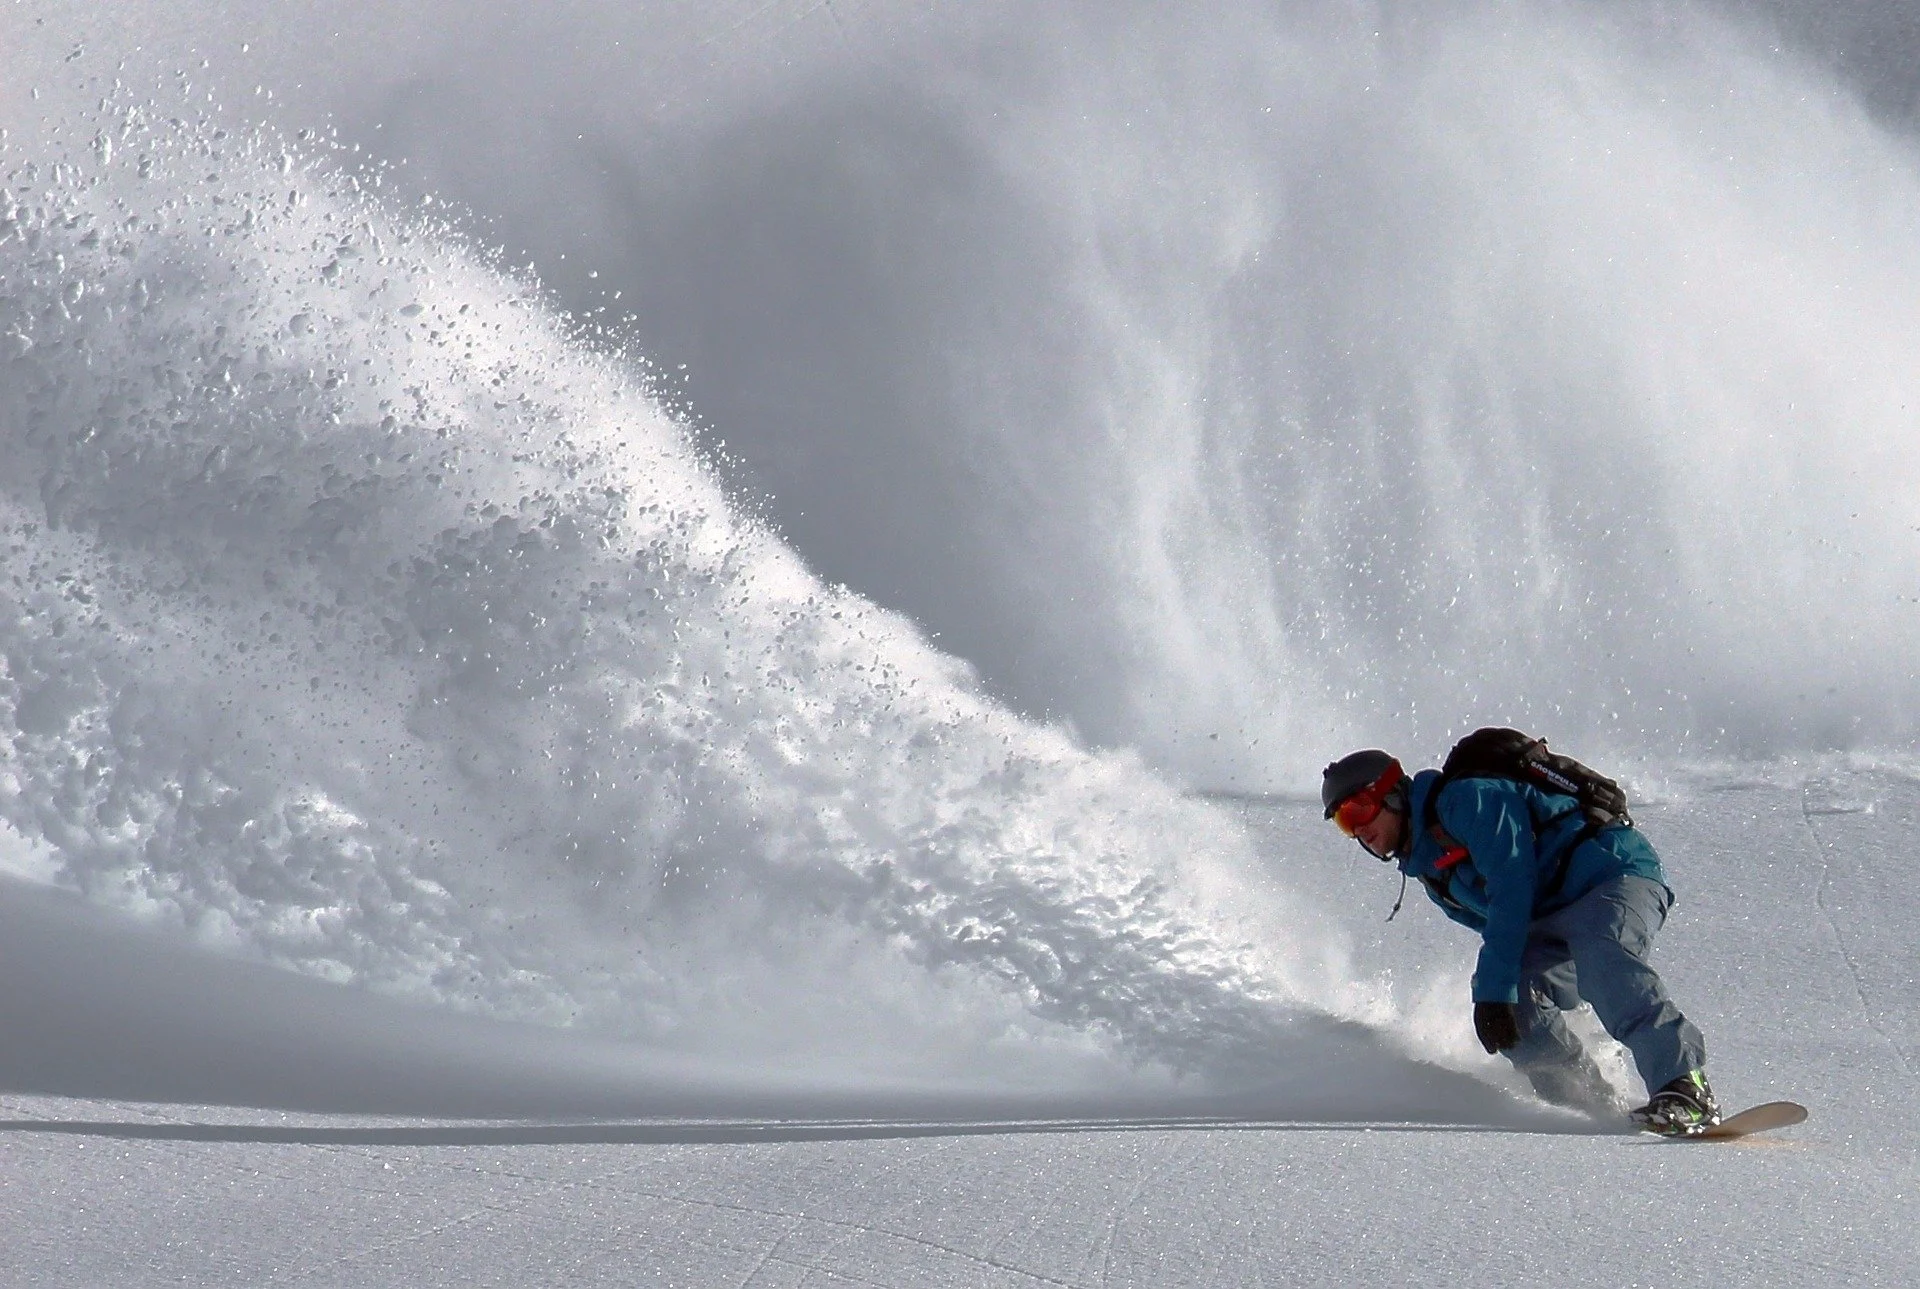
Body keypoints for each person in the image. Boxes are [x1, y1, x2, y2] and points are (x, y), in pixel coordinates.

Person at [1320, 747, 1718, 1133]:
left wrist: (1494, 988)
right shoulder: (1432, 874)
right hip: (1550, 919)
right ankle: (1591, 1104)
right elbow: (1502, 930)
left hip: (1609, 876)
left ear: (1391, 794)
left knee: (1601, 957)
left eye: (1358, 811)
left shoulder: (1466, 800)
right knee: (1517, 1007)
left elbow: (1511, 884)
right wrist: (1505, 993)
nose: (1358, 831)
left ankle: (1685, 1088)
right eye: (1343, 823)